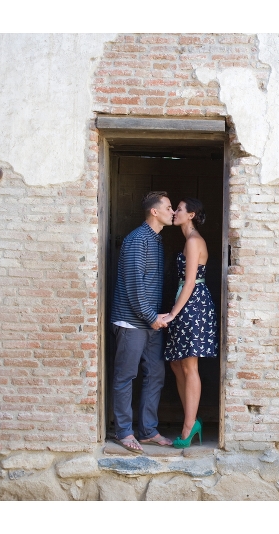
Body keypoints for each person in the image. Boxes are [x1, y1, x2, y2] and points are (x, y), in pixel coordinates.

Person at [109, 191, 175, 453]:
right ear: (155, 212)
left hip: (150, 323)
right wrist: (151, 317)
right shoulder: (138, 240)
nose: (173, 212)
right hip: (131, 322)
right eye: (169, 208)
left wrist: (155, 319)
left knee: (156, 375)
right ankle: (124, 432)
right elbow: (135, 286)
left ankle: (148, 430)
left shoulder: (155, 240)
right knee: (126, 376)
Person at [160, 198, 219, 448]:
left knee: (189, 367)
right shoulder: (188, 240)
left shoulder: (194, 241)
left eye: (179, 209)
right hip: (185, 303)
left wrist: (173, 313)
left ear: (191, 214)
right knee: (176, 363)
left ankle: (188, 426)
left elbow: (191, 282)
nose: (174, 212)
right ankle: (192, 418)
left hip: (194, 306)